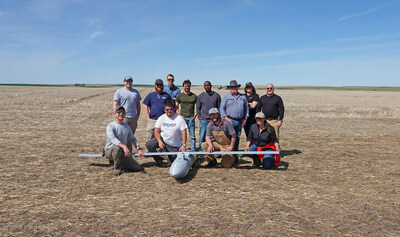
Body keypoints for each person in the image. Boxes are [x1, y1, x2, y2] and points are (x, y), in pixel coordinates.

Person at [104, 106, 144, 176]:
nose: (121, 114)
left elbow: (133, 139)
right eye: (118, 112)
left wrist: (139, 149)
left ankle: (119, 161)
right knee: (117, 147)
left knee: (137, 167)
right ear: (115, 114)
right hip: (109, 151)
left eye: (122, 112)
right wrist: (124, 146)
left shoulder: (127, 126)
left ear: (125, 114)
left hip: (122, 151)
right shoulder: (110, 126)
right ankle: (117, 168)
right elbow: (113, 139)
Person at [146, 101, 187, 165]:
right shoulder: (161, 118)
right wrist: (159, 141)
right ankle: (158, 159)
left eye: (171, 109)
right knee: (149, 144)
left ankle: (167, 156)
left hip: (173, 145)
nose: (169, 111)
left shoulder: (179, 118)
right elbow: (156, 131)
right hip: (163, 140)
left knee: (172, 162)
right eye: (167, 109)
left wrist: (184, 145)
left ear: (173, 109)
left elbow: (184, 132)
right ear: (164, 110)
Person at [113, 76, 142, 150]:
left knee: (131, 136)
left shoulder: (135, 92)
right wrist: (116, 115)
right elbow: (115, 103)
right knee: (122, 135)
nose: (129, 83)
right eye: (127, 81)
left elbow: (138, 105)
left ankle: (129, 153)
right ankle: (121, 152)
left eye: (130, 81)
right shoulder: (119, 92)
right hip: (123, 117)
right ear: (124, 82)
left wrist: (137, 116)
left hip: (133, 118)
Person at [219, 80, 249, 151]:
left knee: (237, 137)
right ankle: (228, 154)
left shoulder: (243, 97)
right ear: (230, 88)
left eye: (235, 87)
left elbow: (246, 109)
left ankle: (235, 153)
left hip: (240, 121)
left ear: (237, 87)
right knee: (229, 137)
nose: (233, 89)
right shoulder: (226, 97)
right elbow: (222, 109)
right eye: (232, 88)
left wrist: (245, 119)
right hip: (230, 120)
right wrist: (226, 118)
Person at [196, 81, 221, 150]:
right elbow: (198, 108)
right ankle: (201, 151)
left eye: (208, 85)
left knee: (213, 136)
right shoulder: (200, 96)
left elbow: (219, 107)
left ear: (211, 86)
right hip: (203, 120)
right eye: (206, 86)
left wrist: (217, 117)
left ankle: (214, 150)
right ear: (204, 87)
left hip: (213, 120)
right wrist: (199, 117)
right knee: (202, 136)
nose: (207, 87)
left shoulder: (216, 95)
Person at [176, 79, 197, 151]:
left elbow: (199, 106)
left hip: (191, 118)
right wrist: (179, 115)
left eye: (188, 86)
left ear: (190, 86)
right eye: (185, 86)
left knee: (192, 136)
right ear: (183, 87)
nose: (187, 87)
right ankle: (181, 149)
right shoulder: (180, 96)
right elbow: (176, 106)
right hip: (182, 118)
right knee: (182, 135)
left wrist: (195, 115)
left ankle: (193, 150)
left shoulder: (194, 96)